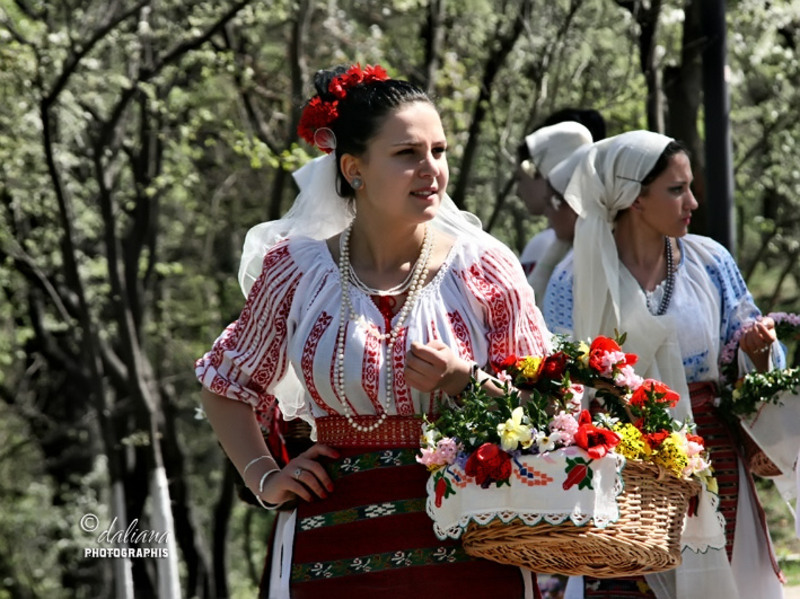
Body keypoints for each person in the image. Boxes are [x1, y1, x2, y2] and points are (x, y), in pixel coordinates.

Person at [196, 63, 552, 599]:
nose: (431, 169)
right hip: (332, 542)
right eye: (407, 154)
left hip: (470, 541)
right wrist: (264, 476)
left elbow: (548, 407)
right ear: (353, 168)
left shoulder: (483, 268)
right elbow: (226, 385)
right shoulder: (296, 270)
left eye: (439, 150)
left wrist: (465, 382)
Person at [542, 130, 787, 599]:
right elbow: (558, 375)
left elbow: (749, 353)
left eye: (690, 186)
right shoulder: (575, 276)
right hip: (621, 464)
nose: (692, 201)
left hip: (709, 459)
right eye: (676, 189)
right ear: (633, 197)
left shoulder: (710, 261)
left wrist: (759, 352)